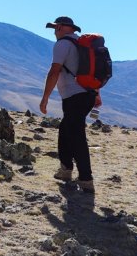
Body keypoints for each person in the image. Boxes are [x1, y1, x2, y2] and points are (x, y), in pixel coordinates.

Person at [39, 16, 102, 193]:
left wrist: (45, 98)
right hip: (87, 95)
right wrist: (97, 94)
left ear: (60, 27)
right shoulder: (83, 45)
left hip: (74, 96)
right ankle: (66, 169)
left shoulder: (62, 44)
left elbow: (54, 71)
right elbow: (92, 71)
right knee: (66, 130)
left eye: (55, 28)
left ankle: (86, 179)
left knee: (76, 135)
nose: (54, 32)